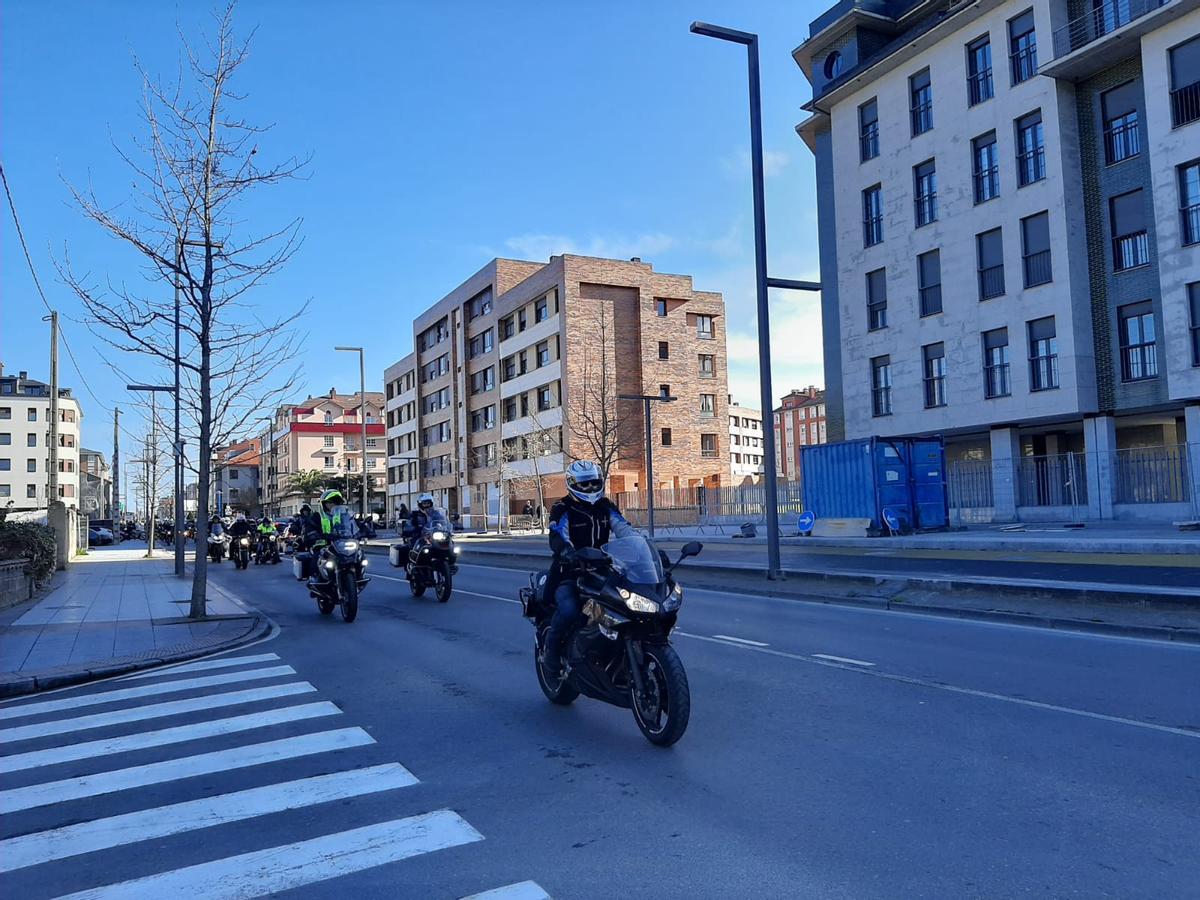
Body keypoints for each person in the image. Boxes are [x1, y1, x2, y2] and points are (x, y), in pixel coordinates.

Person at [540, 459, 634, 675]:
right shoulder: (562, 507)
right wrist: (566, 551)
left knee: (622, 607)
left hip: (602, 569)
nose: (590, 488)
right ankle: (551, 655)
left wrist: (644, 547)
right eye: (584, 484)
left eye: (594, 483)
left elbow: (624, 529)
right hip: (569, 571)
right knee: (570, 610)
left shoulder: (605, 506)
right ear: (572, 484)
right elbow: (557, 534)